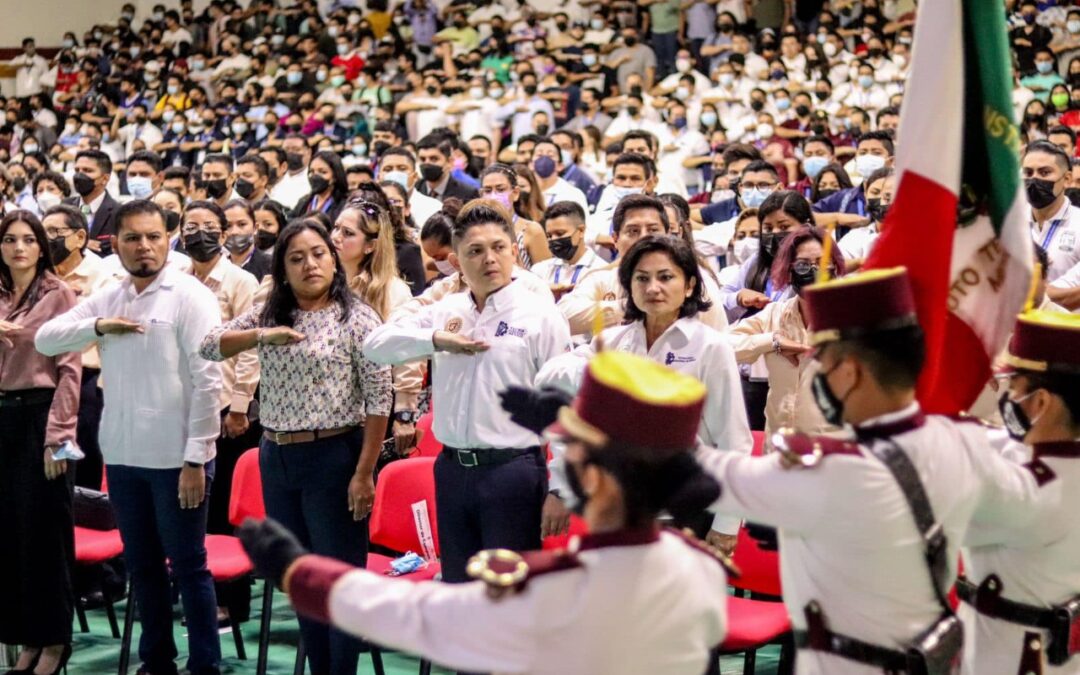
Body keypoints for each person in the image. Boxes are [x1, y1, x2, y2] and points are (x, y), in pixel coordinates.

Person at [238, 350, 731, 675]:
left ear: (595, 478)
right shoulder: (701, 568)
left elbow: (421, 616)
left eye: (572, 452)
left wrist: (300, 572)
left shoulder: (551, 587)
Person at [694, 267, 1039, 674]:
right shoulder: (971, 443)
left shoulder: (822, 469)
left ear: (849, 371)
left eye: (822, 360)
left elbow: (695, 474)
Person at [36, 200, 224, 675]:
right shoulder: (112, 295)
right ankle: (155, 661)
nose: (144, 247)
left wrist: (196, 459)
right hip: (123, 455)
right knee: (142, 566)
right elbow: (47, 339)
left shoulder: (189, 295)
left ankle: (204, 664)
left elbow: (209, 381)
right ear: (114, 244)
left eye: (154, 237)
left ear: (168, 239)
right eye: (133, 238)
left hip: (178, 457)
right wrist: (96, 327)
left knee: (188, 566)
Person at [199, 218, 391, 675]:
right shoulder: (270, 312)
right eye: (297, 257)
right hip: (277, 456)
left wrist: (364, 473)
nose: (310, 264)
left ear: (334, 259)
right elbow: (208, 346)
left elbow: (380, 400)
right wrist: (262, 336)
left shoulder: (358, 317)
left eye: (319, 253)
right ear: (283, 269)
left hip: (335, 458)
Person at [363, 200, 572, 583]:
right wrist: (436, 340)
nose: (489, 259)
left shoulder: (540, 315)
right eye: (475, 251)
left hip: (513, 470)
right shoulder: (447, 310)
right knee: (459, 588)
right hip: (452, 469)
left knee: (508, 596)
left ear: (513, 251)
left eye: (498, 248)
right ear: (457, 259)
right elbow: (375, 345)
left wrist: (560, 488)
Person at [538, 235, 752, 549]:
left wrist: (728, 523)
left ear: (689, 285)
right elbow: (549, 385)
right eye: (642, 278)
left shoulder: (710, 346)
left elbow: (733, 439)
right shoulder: (612, 342)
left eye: (666, 277)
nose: (653, 288)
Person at [959, 308, 1080, 673]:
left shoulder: (1029, 491)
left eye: (1014, 387)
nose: (1007, 397)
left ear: (1041, 403)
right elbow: (992, 441)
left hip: (1009, 658)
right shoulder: (1051, 461)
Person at [0, 210, 80, 675]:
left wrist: (59, 438)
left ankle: (54, 641)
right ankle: (26, 640)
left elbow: (71, 370)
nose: (18, 248)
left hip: (43, 419)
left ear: (41, 246)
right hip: (3, 418)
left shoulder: (59, 294)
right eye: (9, 239)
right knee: (10, 536)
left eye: (28, 239)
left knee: (45, 536)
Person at [179, 200, 261, 536]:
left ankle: (228, 583)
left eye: (210, 228)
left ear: (224, 233)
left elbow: (251, 347)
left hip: (227, 406)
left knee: (222, 500)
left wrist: (240, 406)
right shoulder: (178, 281)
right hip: (187, 401)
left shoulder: (240, 281)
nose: (200, 235)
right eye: (191, 229)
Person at [727, 225, 845, 452]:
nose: (813, 270)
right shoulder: (775, 314)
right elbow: (723, 345)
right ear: (788, 271)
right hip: (779, 450)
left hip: (832, 454)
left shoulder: (853, 317)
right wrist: (772, 341)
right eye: (802, 265)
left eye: (821, 263)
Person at [559, 194, 728, 337]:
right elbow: (564, 316)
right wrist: (631, 307)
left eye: (653, 230)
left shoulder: (696, 281)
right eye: (633, 231)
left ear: (669, 235)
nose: (643, 238)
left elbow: (719, 340)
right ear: (616, 239)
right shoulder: (603, 278)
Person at [42, 205, 110, 491]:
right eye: (43, 233)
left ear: (80, 236)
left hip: (85, 378)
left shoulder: (103, 275)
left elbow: (90, 331)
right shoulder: (38, 272)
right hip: (42, 374)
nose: (48, 239)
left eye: (56, 232)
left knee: (81, 459)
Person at [1023, 140, 1080, 283]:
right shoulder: (1010, 222)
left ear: (1067, 179)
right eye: (1028, 172)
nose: (1034, 179)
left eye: (1045, 172)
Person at [479, 164, 551, 268]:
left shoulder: (531, 230)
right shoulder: (476, 230)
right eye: (488, 191)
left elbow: (545, 276)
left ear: (516, 193)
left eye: (500, 189)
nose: (493, 196)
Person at [529, 201, 606, 299]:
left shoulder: (601, 270)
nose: (553, 239)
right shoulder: (539, 270)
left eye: (560, 233)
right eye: (549, 235)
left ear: (581, 231)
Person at [66, 150, 119, 256]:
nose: (79, 175)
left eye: (87, 170)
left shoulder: (119, 212)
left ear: (105, 178)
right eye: (77, 170)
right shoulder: (64, 207)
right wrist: (81, 243)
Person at [291, 150, 349, 224]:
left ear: (335, 176)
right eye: (311, 171)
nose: (315, 176)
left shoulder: (345, 204)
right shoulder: (304, 202)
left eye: (322, 172)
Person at [223, 199, 273, 280]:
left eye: (242, 224)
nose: (234, 232)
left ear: (255, 228)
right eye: (228, 226)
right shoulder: (217, 266)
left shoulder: (271, 266)